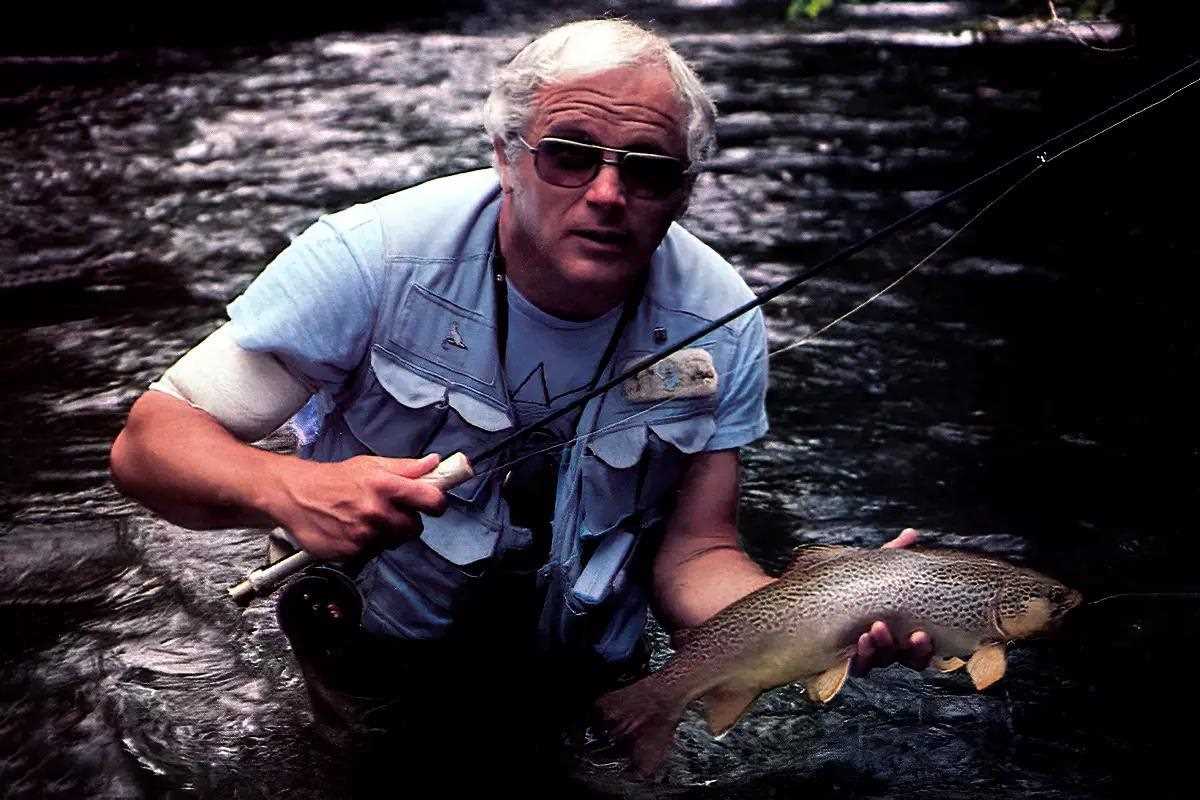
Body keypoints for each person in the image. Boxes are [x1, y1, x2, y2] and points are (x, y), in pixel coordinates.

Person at [110, 18, 932, 792]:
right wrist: (289, 488)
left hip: (582, 672)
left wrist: (820, 615)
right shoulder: (370, 259)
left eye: (648, 169)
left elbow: (696, 554)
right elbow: (149, 445)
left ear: (683, 191)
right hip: (373, 652)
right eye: (570, 155)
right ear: (507, 156)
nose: (608, 193)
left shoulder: (723, 321)